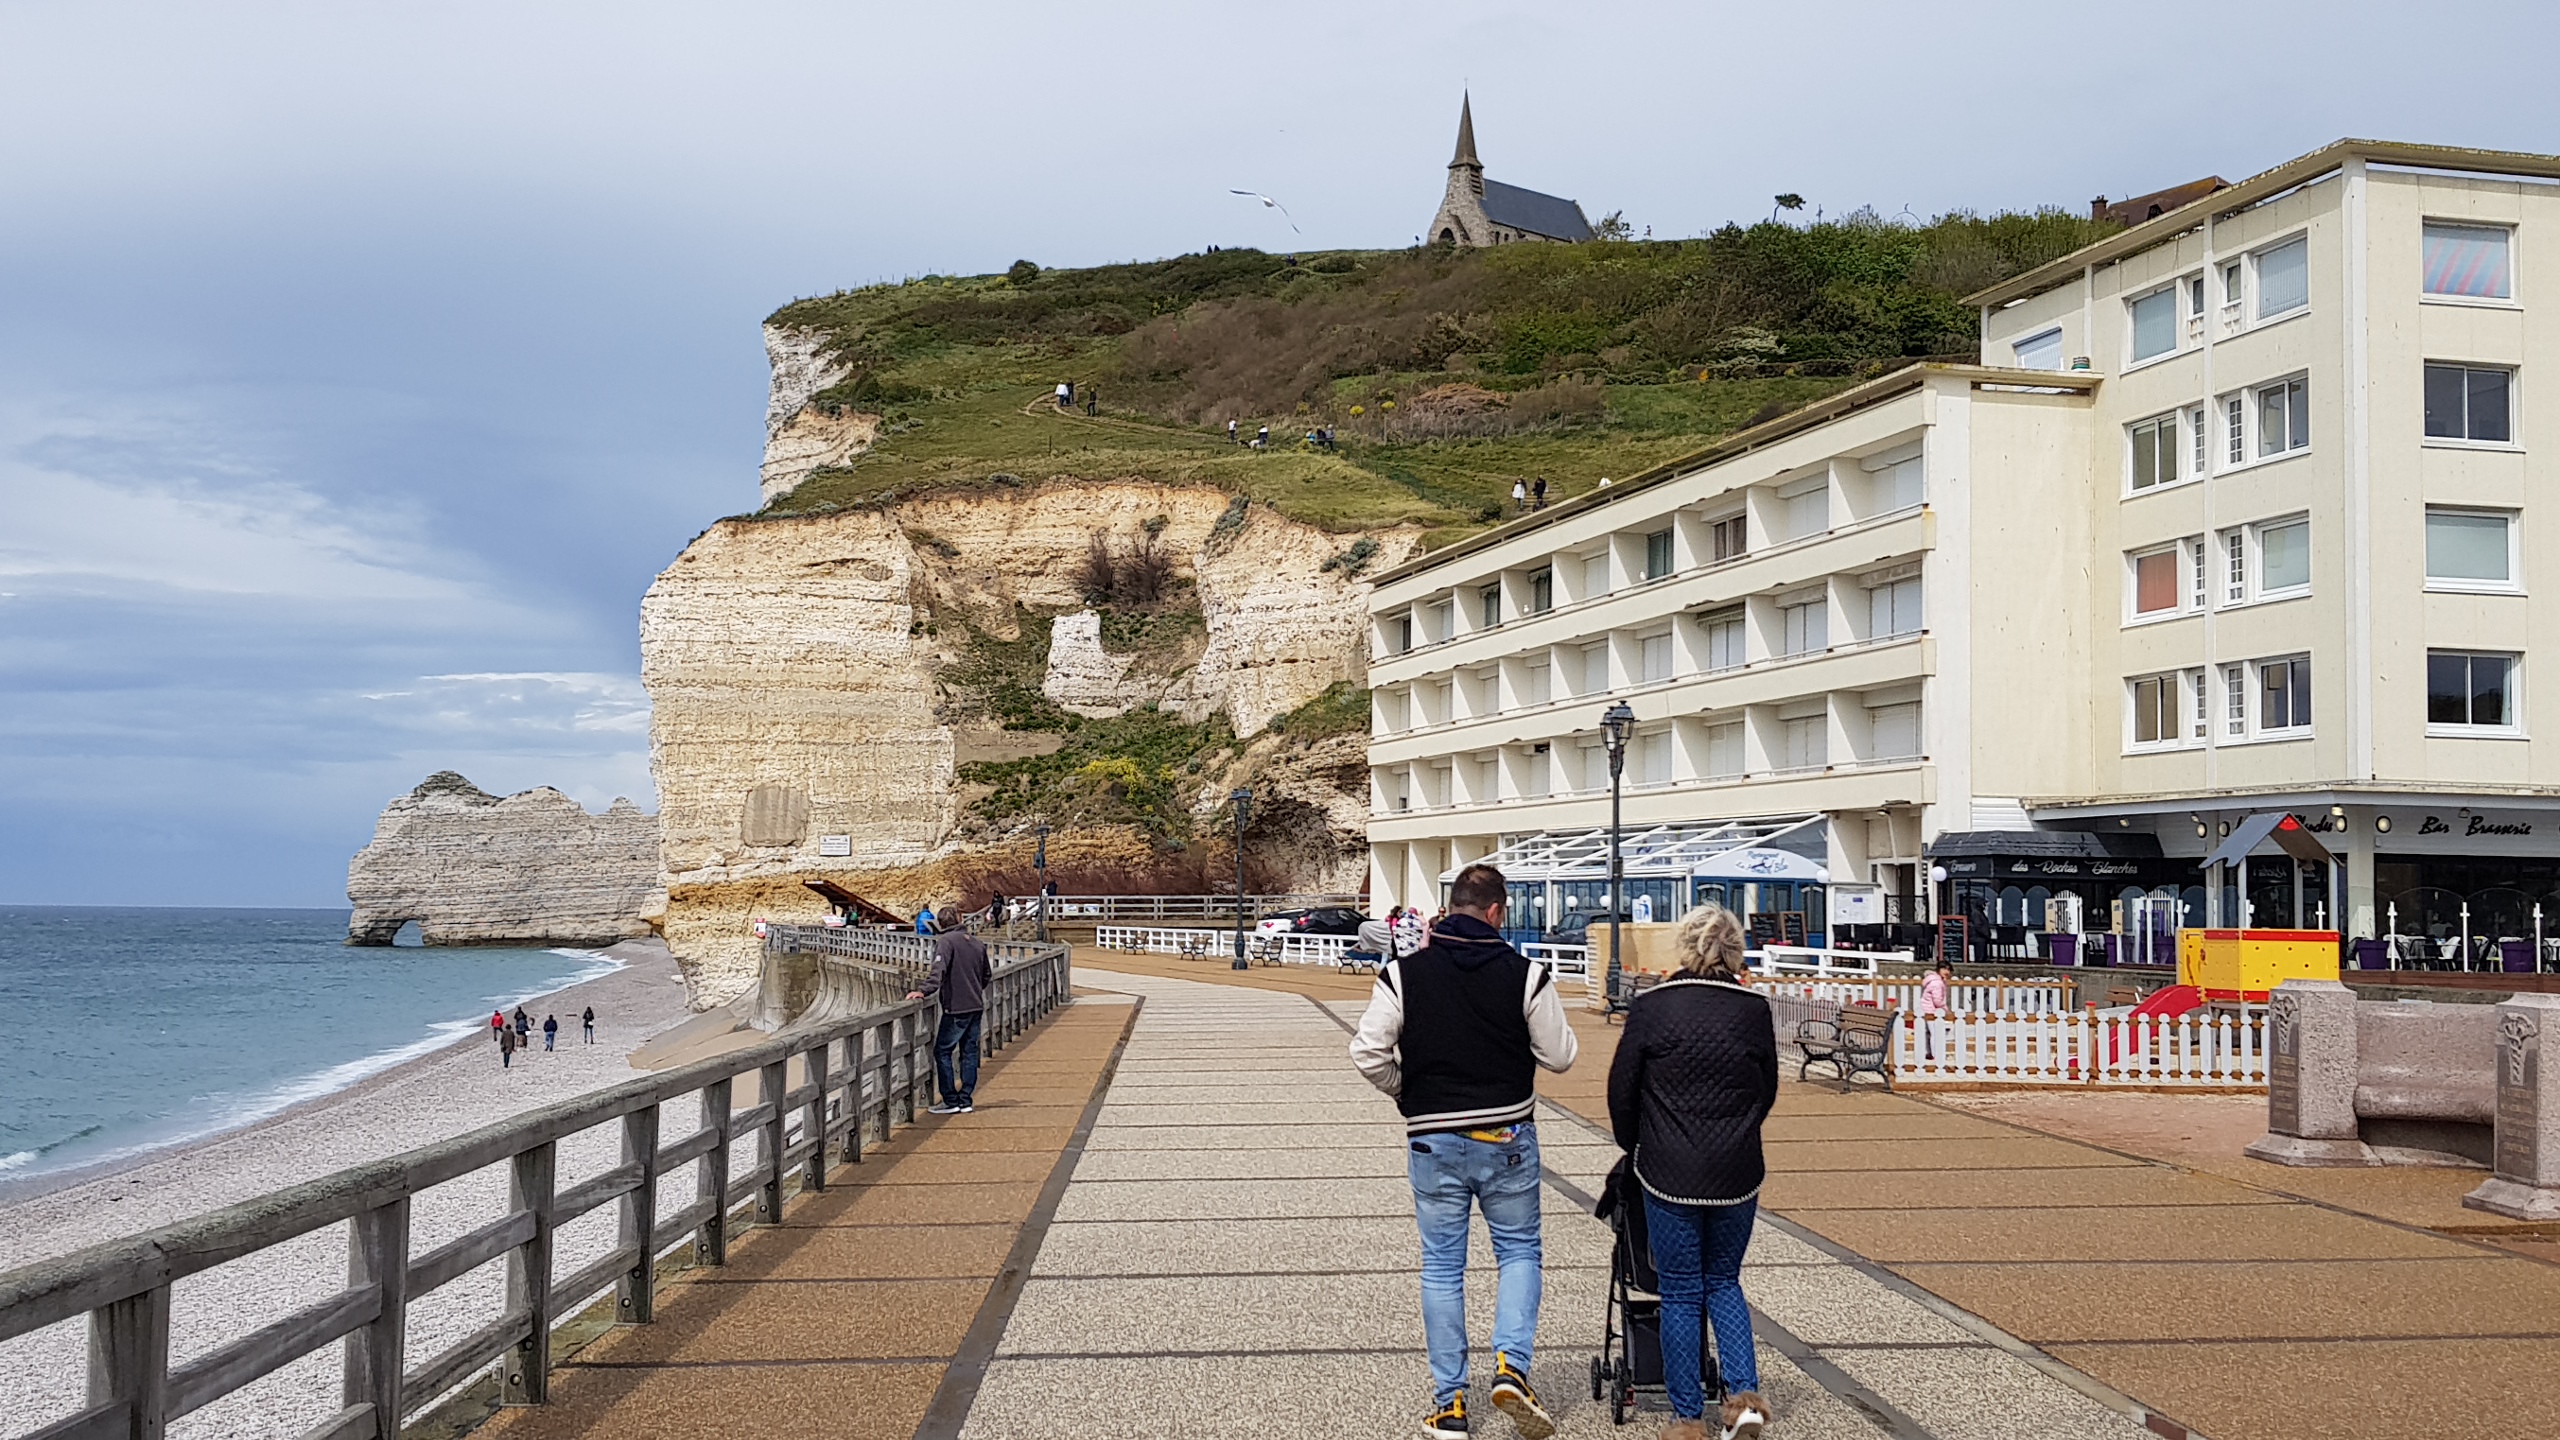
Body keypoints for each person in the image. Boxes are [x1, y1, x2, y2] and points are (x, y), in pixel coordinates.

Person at [1351, 863, 1579, 1440]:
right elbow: (1560, 1056)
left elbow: (1367, 1051)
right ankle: (1511, 1366)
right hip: (1507, 1136)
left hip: (1434, 1137)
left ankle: (1450, 1403)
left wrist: (1407, 1090)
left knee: (1442, 1266)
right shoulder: (1526, 974)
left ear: (1451, 907)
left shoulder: (1403, 973)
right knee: (1519, 1251)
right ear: (1497, 912)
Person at [1606, 905, 1776, 1440]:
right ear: (1735, 951)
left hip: (1669, 1168)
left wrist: (1635, 1145)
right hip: (1736, 1168)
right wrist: (1739, 1129)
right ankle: (1744, 1400)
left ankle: (1686, 1419)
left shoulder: (1653, 1006)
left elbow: (1622, 1089)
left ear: (1684, 946)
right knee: (1724, 1281)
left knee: (1680, 1291)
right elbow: (1766, 1088)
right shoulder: (1753, 1009)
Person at [908, 914, 992, 1114]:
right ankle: (966, 1100)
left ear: (940, 923)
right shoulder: (977, 943)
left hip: (956, 1007)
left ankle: (950, 1100)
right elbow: (987, 975)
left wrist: (924, 990)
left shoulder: (946, 942)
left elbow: (938, 971)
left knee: (943, 1051)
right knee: (969, 1053)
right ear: (959, 918)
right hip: (975, 1005)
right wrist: (974, 989)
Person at [1919, 958, 1952, 1062]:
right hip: (1932, 1010)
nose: (1947, 972)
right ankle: (1935, 1054)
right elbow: (1937, 1000)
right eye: (1944, 969)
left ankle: (1929, 1052)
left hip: (1926, 1008)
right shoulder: (1937, 983)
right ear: (1939, 970)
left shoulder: (1933, 980)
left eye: (1948, 969)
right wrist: (1945, 1009)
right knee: (1936, 1033)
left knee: (1928, 1033)